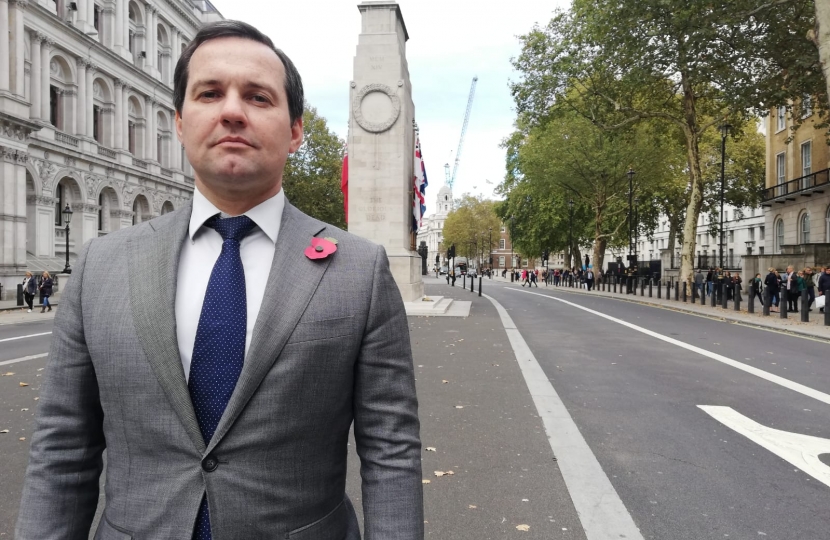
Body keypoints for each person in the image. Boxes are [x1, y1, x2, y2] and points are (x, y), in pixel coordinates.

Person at [17, 21, 422, 540]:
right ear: (181, 122)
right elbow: (61, 450)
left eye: (258, 97)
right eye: (210, 93)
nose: (233, 111)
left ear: (296, 130)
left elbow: (391, 453)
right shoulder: (102, 264)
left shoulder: (360, 270)